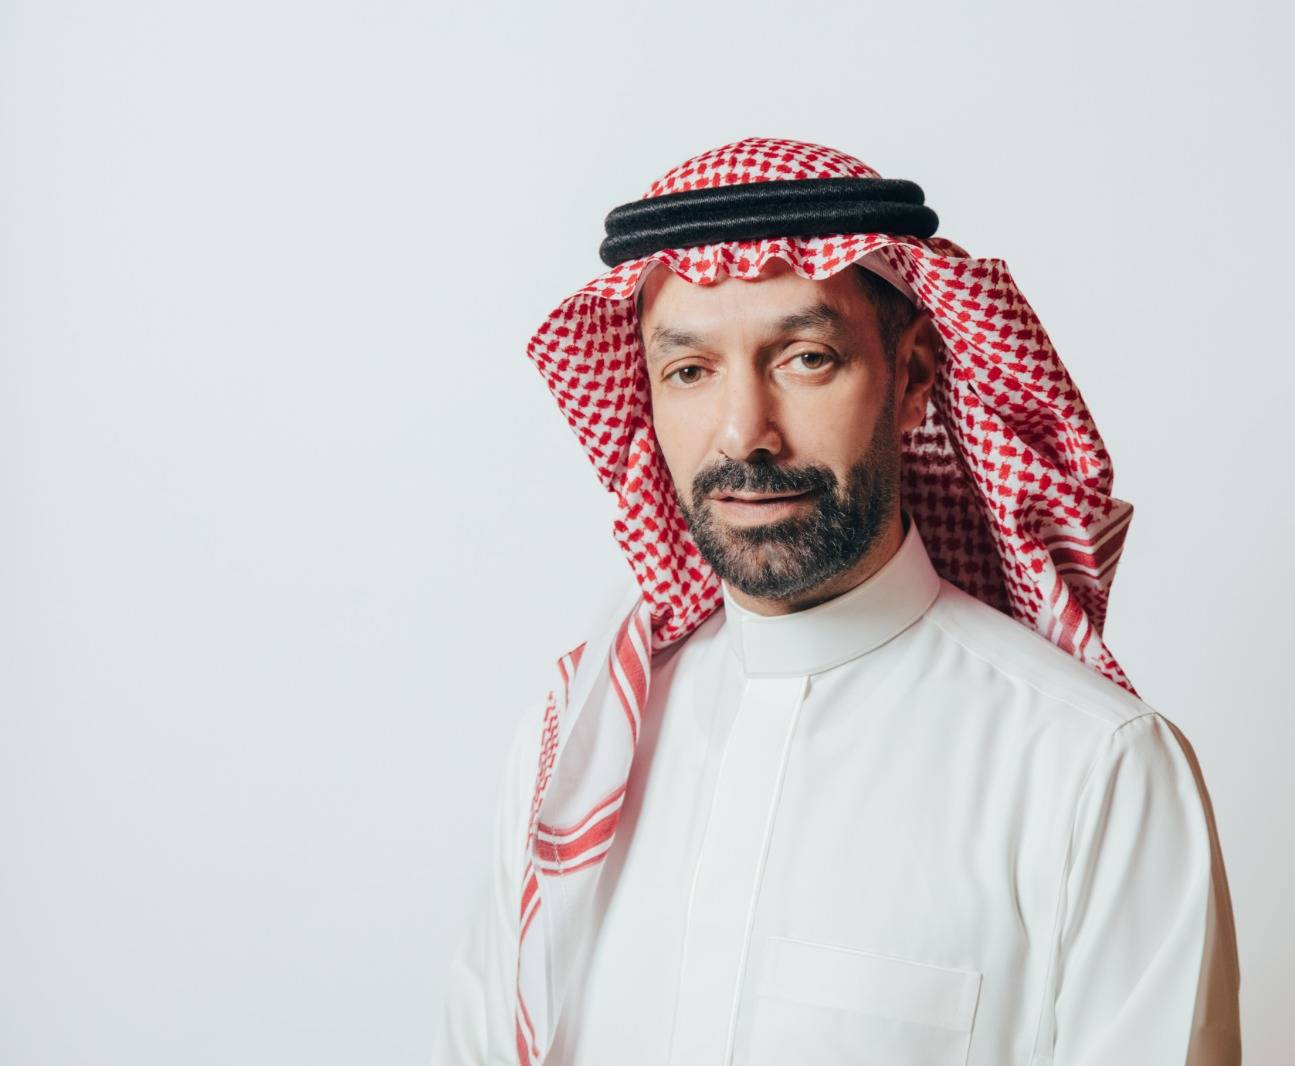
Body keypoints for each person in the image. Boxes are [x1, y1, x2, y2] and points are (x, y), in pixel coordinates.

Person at [432, 137, 1241, 1066]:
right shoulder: (575, 743)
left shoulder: (1090, 767)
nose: (745, 433)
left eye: (806, 358)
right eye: (690, 370)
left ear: (914, 379)